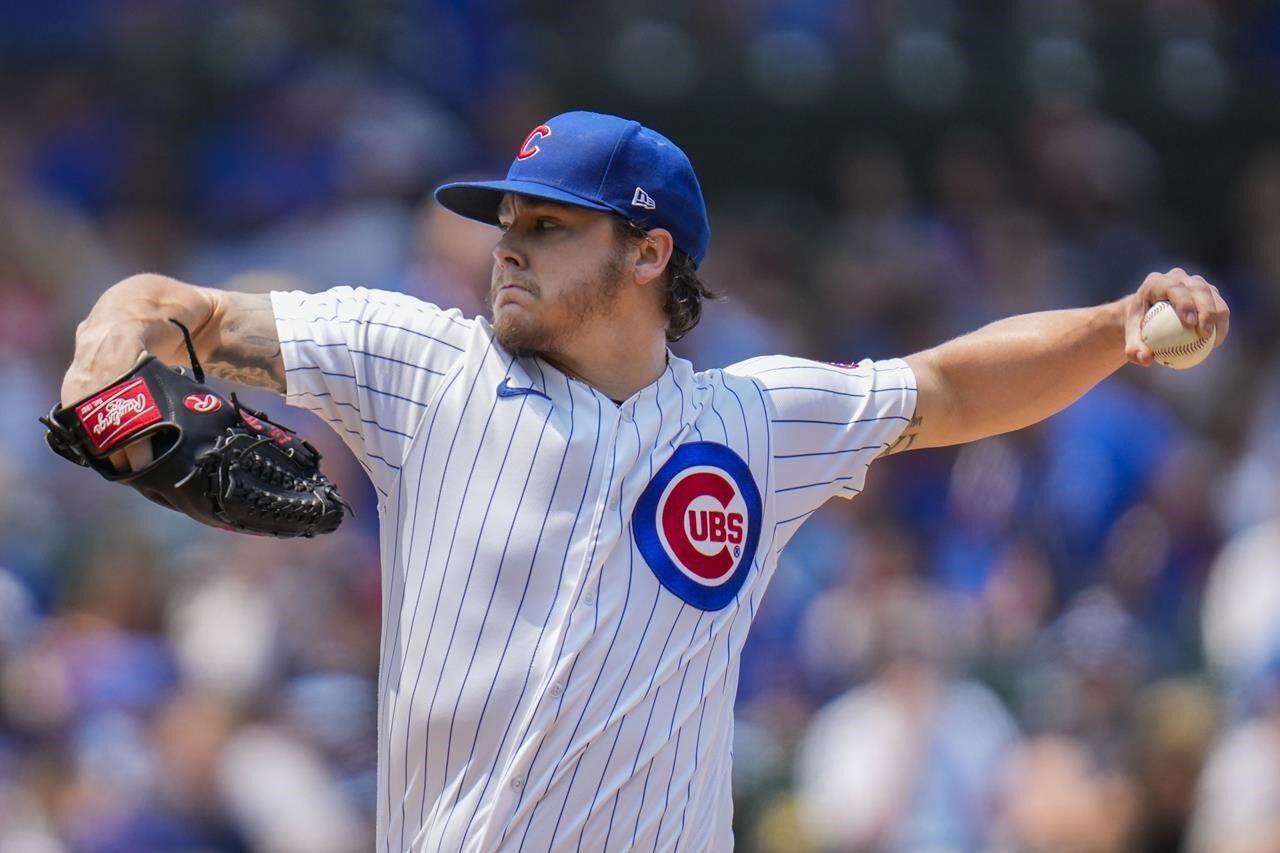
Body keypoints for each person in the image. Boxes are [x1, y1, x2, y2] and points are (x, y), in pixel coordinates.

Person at [59, 110, 1230, 851]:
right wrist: (103, 375)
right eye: (502, 219)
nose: (503, 243)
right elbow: (170, 308)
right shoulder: (420, 361)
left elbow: (950, 389)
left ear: (647, 249)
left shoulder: (752, 423)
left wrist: (1114, 325)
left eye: (546, 225)